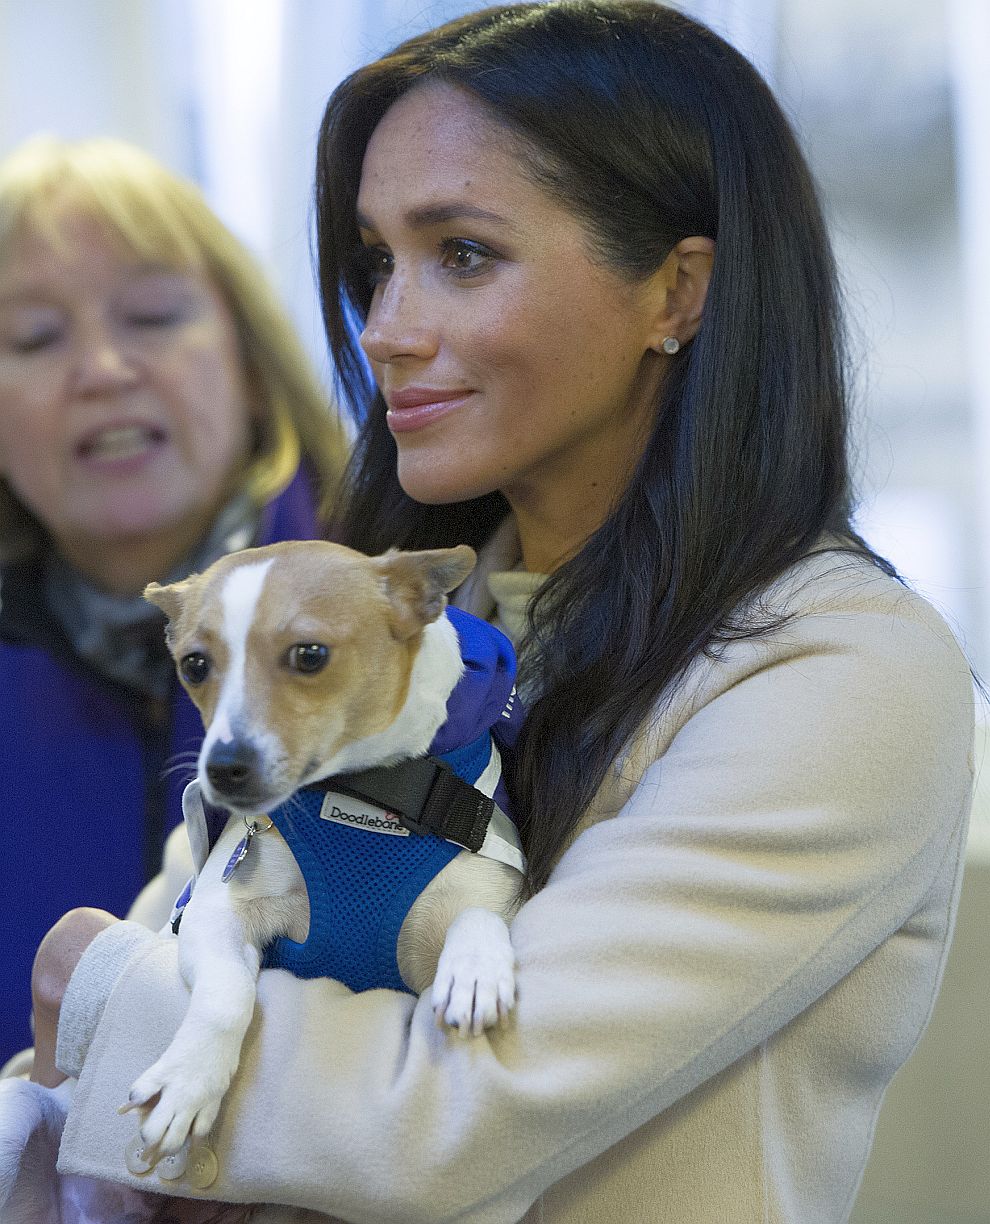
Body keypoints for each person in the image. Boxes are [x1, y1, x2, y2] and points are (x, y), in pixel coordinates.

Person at [18, 4, 976, 1222]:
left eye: (462, 254)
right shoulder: (380, 625)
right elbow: (156, 968)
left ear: (676, 292)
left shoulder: (841, 668)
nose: (385, 330)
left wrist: (97, 996)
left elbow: (460, 1112)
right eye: (374, 265)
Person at [0, 136, 349, 1067]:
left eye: (153, 316)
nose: (103, 369)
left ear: (249, 357)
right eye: (34, 337)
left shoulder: (407, 616)